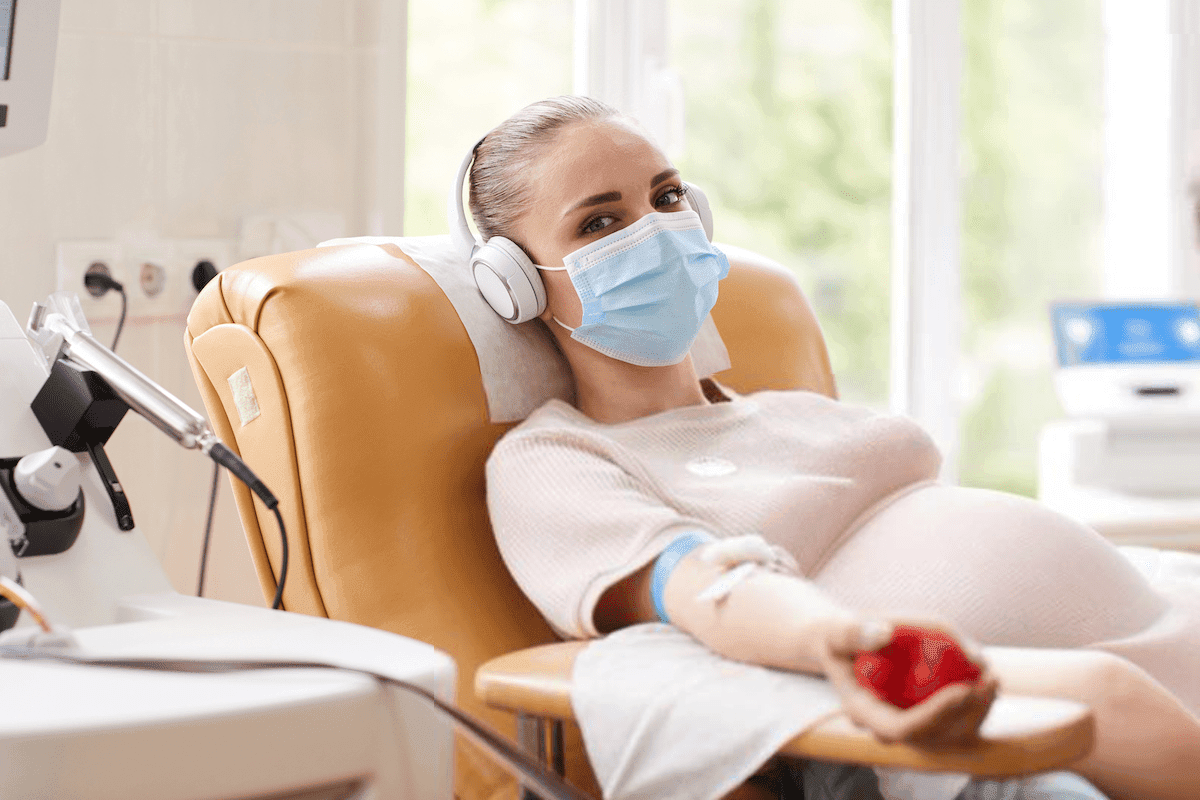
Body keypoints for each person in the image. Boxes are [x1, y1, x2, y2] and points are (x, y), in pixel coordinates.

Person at [471, 95, 1200, 800]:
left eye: (667, 197)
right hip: (1040, 706)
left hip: (1161, 629)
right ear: (516, 284)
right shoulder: (556, 459)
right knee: (1109, 699)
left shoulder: (796, 413)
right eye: (600, 222)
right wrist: (843, 642)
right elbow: (703, 587)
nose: (656, 232)